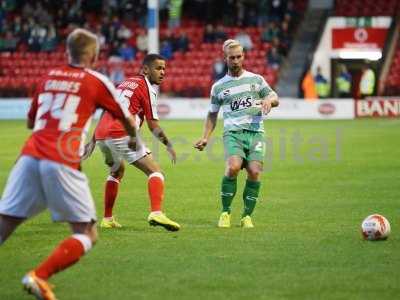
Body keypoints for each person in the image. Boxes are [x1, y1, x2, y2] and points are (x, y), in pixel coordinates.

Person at [0, 28, 138, 300]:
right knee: (87, 233)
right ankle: (38, 276)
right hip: (61, 159)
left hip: (29, 156)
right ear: (94, 55)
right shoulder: (96, 80)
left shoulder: (47, 77)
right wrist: (133, 139)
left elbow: (31, 122)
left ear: (67, 52)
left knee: (5, 223)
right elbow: (125, 117)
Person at [86, 54, 180, 231]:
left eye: (164, 69)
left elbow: (107, 109)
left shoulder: (124, 84)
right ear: (145, 69)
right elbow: (153, 125)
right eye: (158, 68)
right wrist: (168, 145)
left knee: (116, 171)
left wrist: (92, 140)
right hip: (121, 133)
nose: (163, 72)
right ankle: (156, 213)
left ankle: (107, 219)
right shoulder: (146, 87)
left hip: (102, 136)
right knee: (156, 172)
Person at [194, 39, 279, 228]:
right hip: (233, 132)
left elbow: (274, 96)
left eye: (239, 56)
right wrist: (205, 137)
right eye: (231, 57)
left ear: (244, 56)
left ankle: (246, 216)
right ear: (225, 59)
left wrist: (269, 102)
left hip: (256, 133)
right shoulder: (219, 87)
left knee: (255, 172)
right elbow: (212, 114)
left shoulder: (256, 80)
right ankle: (225, 212)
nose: (235, 60)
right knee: (233, 167)